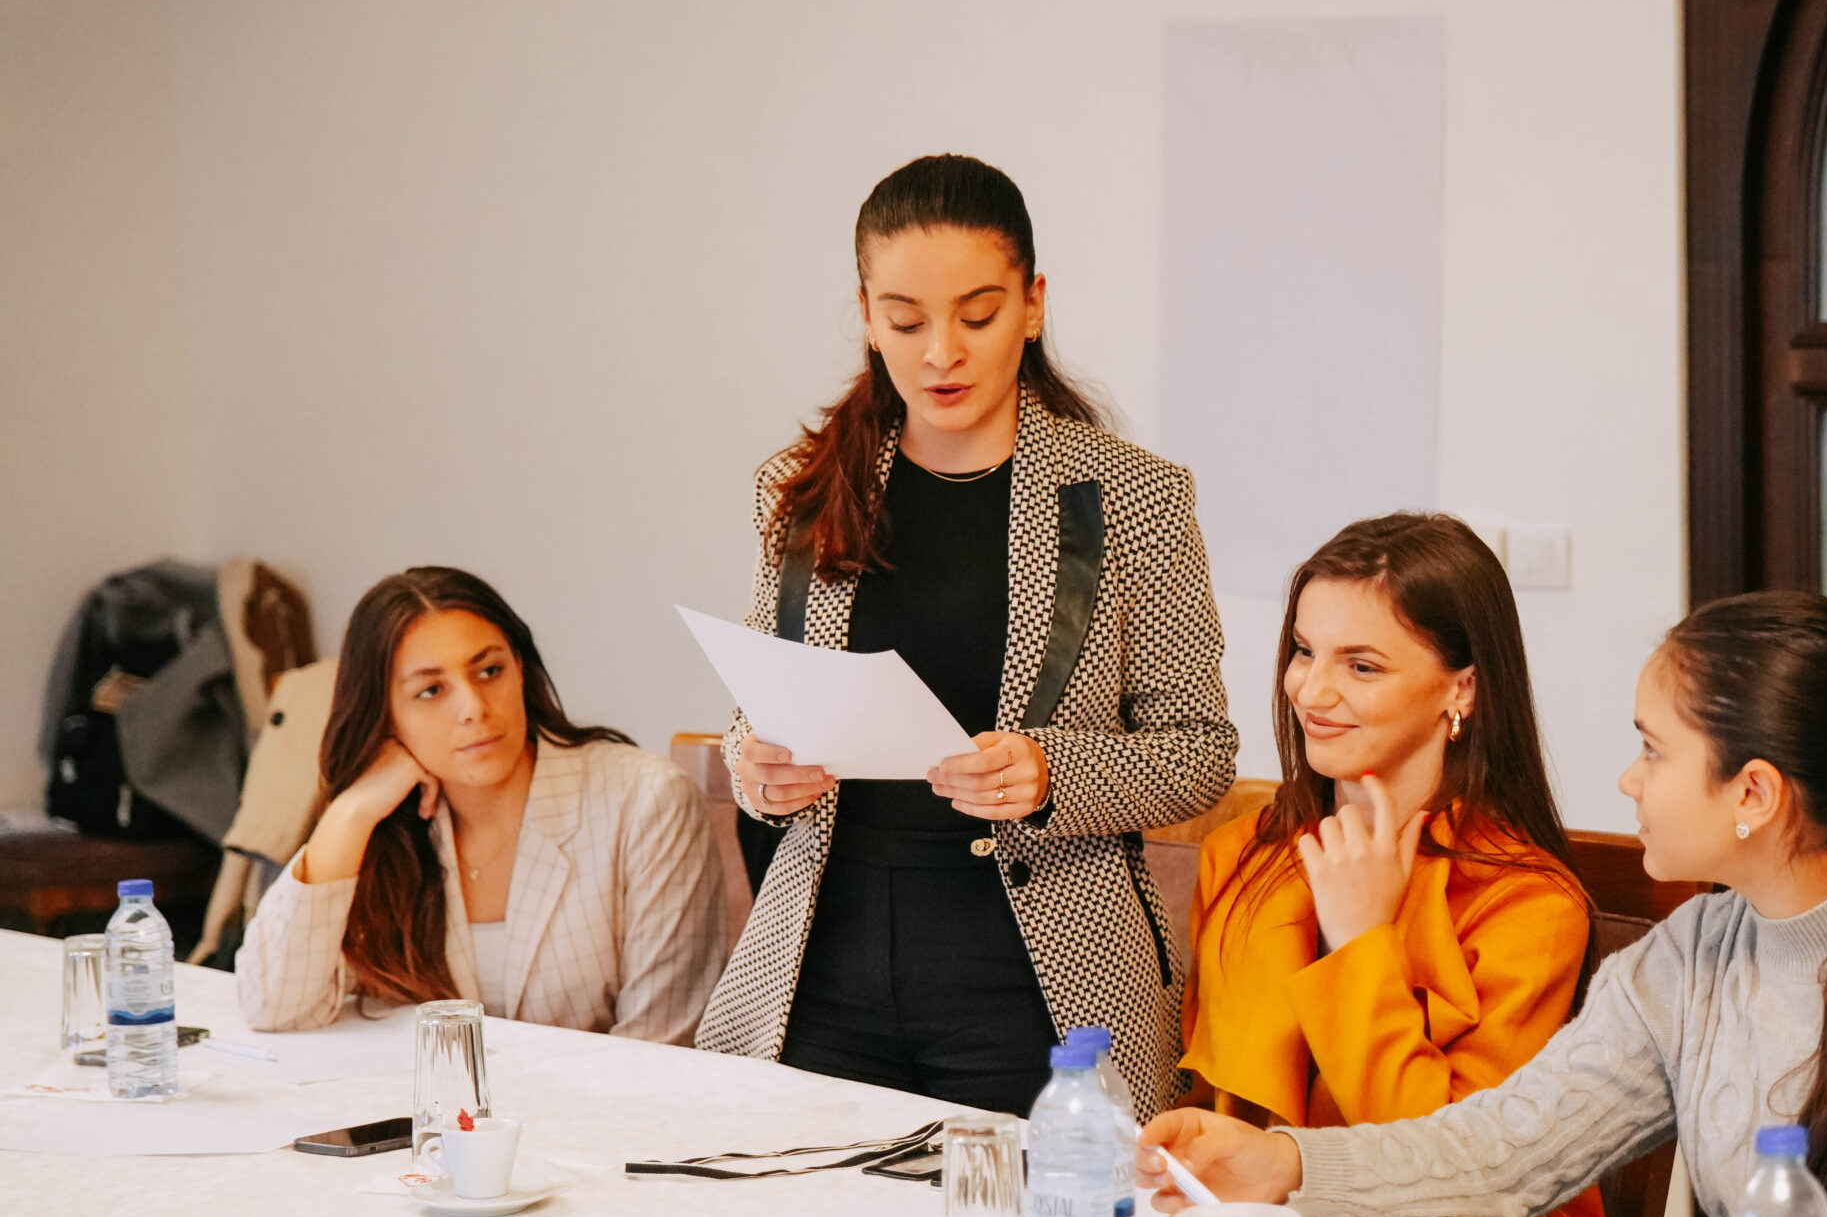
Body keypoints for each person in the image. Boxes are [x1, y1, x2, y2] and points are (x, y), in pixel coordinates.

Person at [1139, 590, 1827, 1217]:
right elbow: (1507, 1150)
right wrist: (1286, 1162)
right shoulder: (1688, 957)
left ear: (1753, 793)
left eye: (1653, 750)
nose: (1629, 779)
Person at [700, 154, 1236, 1119]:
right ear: (867, 317)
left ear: (1032, 306)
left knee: (1046, 1215)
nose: (941, 352)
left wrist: (1050, 773)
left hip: (1039, 983)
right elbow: (760, 707)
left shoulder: (1135, 498)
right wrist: (756, 766)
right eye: (906, 321)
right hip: (823, 966)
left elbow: (1199, 752)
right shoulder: (801, 488)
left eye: (977, 315)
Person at [1181, 513, 1603, 1217]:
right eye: (1304, 651)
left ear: (1462, 689)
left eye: (1362, 666)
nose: (1311, 692)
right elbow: (1212, 1108)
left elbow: (1462, 1172)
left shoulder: (1530, 905)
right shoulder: (1242, 854)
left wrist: (1359, 941)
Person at [237, 568, 725, 1042]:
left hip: (597, 1101)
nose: (473, 707)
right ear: (385, 714)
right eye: (431, 690)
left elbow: (660, 1047)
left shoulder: (645, 800)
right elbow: (275, 1006)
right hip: (418, 1100)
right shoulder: (379, 826)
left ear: (521, 670)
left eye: (489, 671)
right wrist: (350, 813)